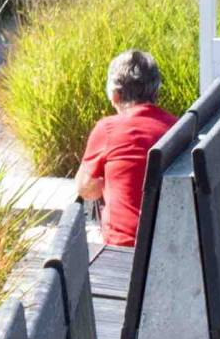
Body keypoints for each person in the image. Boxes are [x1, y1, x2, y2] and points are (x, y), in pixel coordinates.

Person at [76, 50, 177, 248]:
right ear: (156, 91)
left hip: (125, 247)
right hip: (170, 244)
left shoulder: (108, 129)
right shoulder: (176, 126)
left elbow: (84, 188)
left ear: (114, 95)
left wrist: (107, 179)